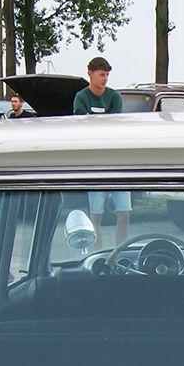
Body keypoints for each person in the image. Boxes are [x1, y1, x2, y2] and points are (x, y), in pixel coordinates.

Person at [73, 58, 130, 246]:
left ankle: (120, 250)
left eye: (107, 75)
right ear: (90, 73)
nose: (105, 79)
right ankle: (97, 252)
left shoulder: (114, 96)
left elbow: (114, 124)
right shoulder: (81, 97)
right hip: (94, 162)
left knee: (124, 212)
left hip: (117, 161)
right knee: (96, 214)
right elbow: (82, 125)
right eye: (101, 74)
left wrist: (95, 120)